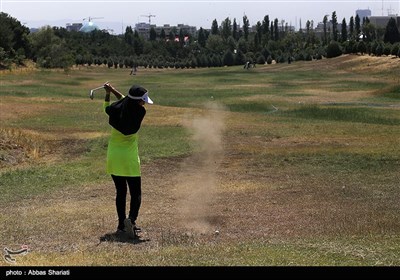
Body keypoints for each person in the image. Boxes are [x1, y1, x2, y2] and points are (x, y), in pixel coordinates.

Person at [102, 82, 153, 239]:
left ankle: (121, 225)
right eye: (143, 100)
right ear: (138, 101)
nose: (144, 102)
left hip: (114, 157)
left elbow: (111, 106)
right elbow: (126, 100)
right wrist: (114, 90)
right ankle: (131, 220)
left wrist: (109, 93)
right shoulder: (139, 112)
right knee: (136, 192)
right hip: (129, 159)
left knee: (121, 192)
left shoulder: (116, 111)